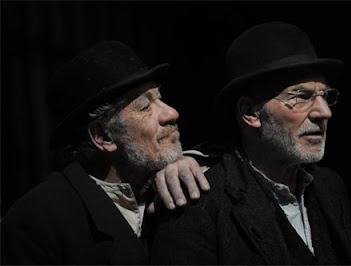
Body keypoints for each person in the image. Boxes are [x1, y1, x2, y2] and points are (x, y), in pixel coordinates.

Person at [150, 21, 351, 264]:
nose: (324, 112)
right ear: (251, 113)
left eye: (324, 96)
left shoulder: (330, 187)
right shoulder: (196, 204)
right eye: (301, 97)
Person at [1, 41, 210, 265]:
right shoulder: (38, 222)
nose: (172, 113)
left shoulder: (180, 175)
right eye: (145, 107)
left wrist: (188, 159)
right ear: (103, 136)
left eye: (160, 98)